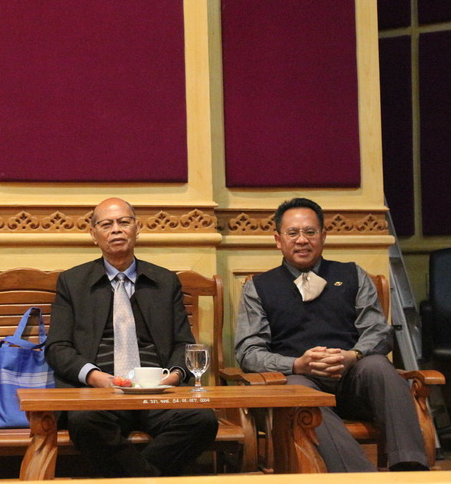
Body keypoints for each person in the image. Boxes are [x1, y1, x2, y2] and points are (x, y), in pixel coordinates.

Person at [234, 198, 428, 472]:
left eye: (310, 232)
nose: (302, 240)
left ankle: (410, 469)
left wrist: (353, 355)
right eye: (293, 233)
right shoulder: (257, 287)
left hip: (353, 378)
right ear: (278, 240)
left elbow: (378, 332)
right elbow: (248, 352)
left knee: (379, 367)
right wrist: (296, 364)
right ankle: (361, 478)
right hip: (298, 379)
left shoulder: (353, 275)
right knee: (300, 391)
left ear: (323, 236)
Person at [45, 198, 219, 477]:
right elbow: (57, 347)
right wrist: (95, 377)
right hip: (101, 393)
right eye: (106, 224)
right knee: (84, 423)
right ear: (93, 234)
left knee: (202, 420)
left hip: (158, 391)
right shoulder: (73, 282)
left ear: (137, 228)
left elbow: (183, 344)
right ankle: (149, 479)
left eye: (124, 222)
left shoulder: (165, 281)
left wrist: (173, 377)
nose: (116, 229)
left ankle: (132, 478)